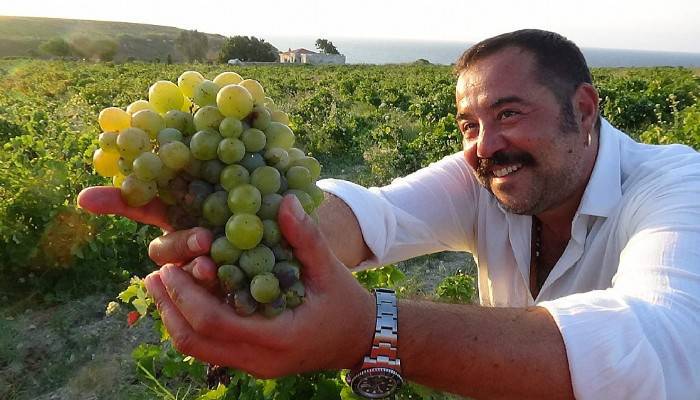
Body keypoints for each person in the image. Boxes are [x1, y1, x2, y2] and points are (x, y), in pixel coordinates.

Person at [78, 29, 700, 399]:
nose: (485, 145)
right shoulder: (486, 176)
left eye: (509, 114)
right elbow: (375, 213)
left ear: (585, 109)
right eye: (468, 125)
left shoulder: (677, 184)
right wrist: (259, 231)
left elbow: (665, 344)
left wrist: (368, 329)